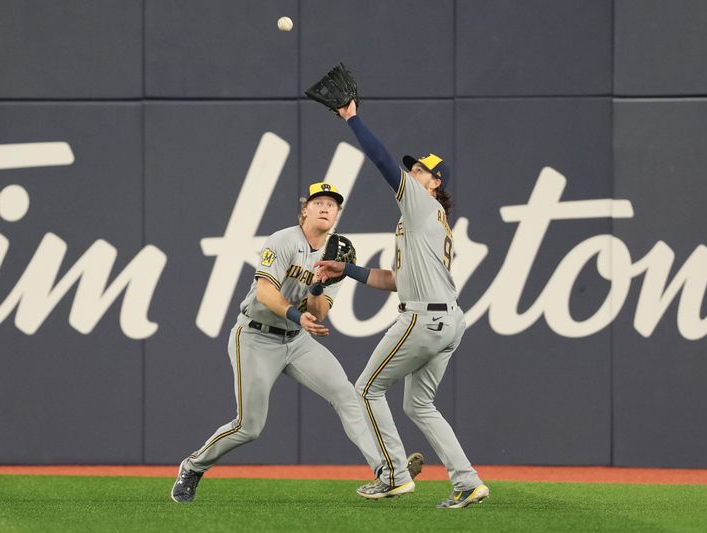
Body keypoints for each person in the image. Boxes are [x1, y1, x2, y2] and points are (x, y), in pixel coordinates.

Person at [316, 100, 489, 509]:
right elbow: (395, 281)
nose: (412, 173)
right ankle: (467, 481)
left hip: (423, 320)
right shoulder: (427, 221)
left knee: (365, 389)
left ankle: (393, 474)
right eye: (412, 169)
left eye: (420, 171)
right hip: (447, 321)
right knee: (418, 403)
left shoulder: (420, 203)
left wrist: (351, 118)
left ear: (434, 182)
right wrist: (349, 271)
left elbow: (381, 160)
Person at [172, 182, 386, 503]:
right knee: (249, 427)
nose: (326, 208)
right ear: (305, 210)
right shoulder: (284, 240)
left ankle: (384, 471)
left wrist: (316, 288)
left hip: (297, 341)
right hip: (256, 336)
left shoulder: (337, 252)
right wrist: (298, 316)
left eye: (332, 204)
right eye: (319, 202)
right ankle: (193, 466)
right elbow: (265, 292)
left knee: (345, 394)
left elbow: (321, 311)